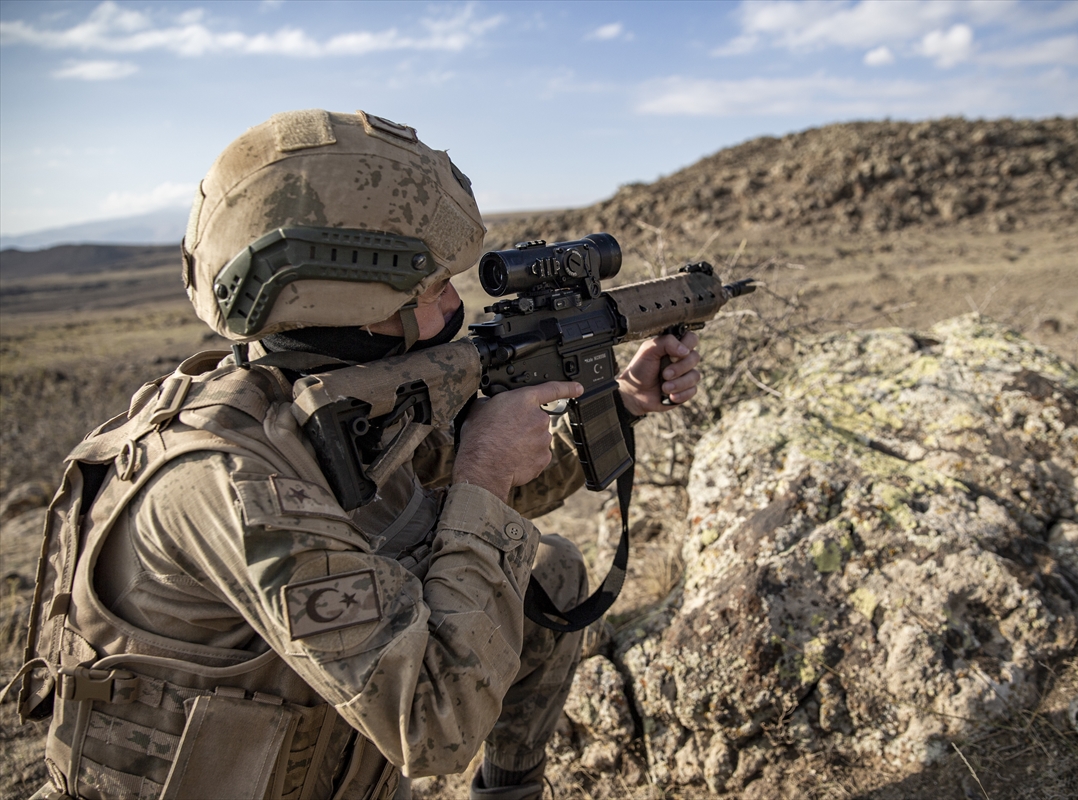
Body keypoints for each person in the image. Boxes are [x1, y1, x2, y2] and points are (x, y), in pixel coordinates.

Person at [9, 109, 701, 800]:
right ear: (349, 302)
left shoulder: (326, 403)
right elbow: (436, 729)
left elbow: (463, 490)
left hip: (327, 771)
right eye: (432, 288)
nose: (454, 308)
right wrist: (486, 470)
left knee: (549, 572)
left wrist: (622, 402)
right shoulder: (229, 480)